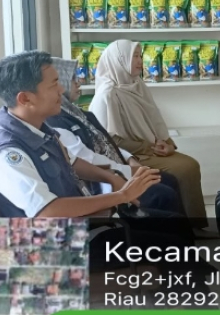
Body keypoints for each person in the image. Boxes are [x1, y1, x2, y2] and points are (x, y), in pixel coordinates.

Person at [0, 51, 161, 217]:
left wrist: (110, 177)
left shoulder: (41, 131)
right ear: (25, 99)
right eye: (54, 84)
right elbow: (48, 212)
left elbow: (71, 161)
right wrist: (122, 196)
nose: (62, 90)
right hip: (59, 238)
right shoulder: (7, 154)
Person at [88, 40, 208, 228]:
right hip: (131, 155)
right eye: (134, 56)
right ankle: (187, 228)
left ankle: (193, 226)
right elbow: (109, 142)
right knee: (185, 168)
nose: (139, 61)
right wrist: (147, 147)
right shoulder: (107, 95)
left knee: (190, 165)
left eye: (140, 56)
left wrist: (168, 144)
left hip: (152, 148)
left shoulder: (137, 84)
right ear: (119, 60)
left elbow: (154, 119)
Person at [46, 57, 184, 214]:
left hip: (119, 167)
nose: (78, 83)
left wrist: (130, 159)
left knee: (169, 180)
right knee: (164, 194)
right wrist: (126, 170)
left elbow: (107, 143)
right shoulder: (56, 122)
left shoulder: (80, 113)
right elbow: (88, 160)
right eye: (71, 79)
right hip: (103, 181)